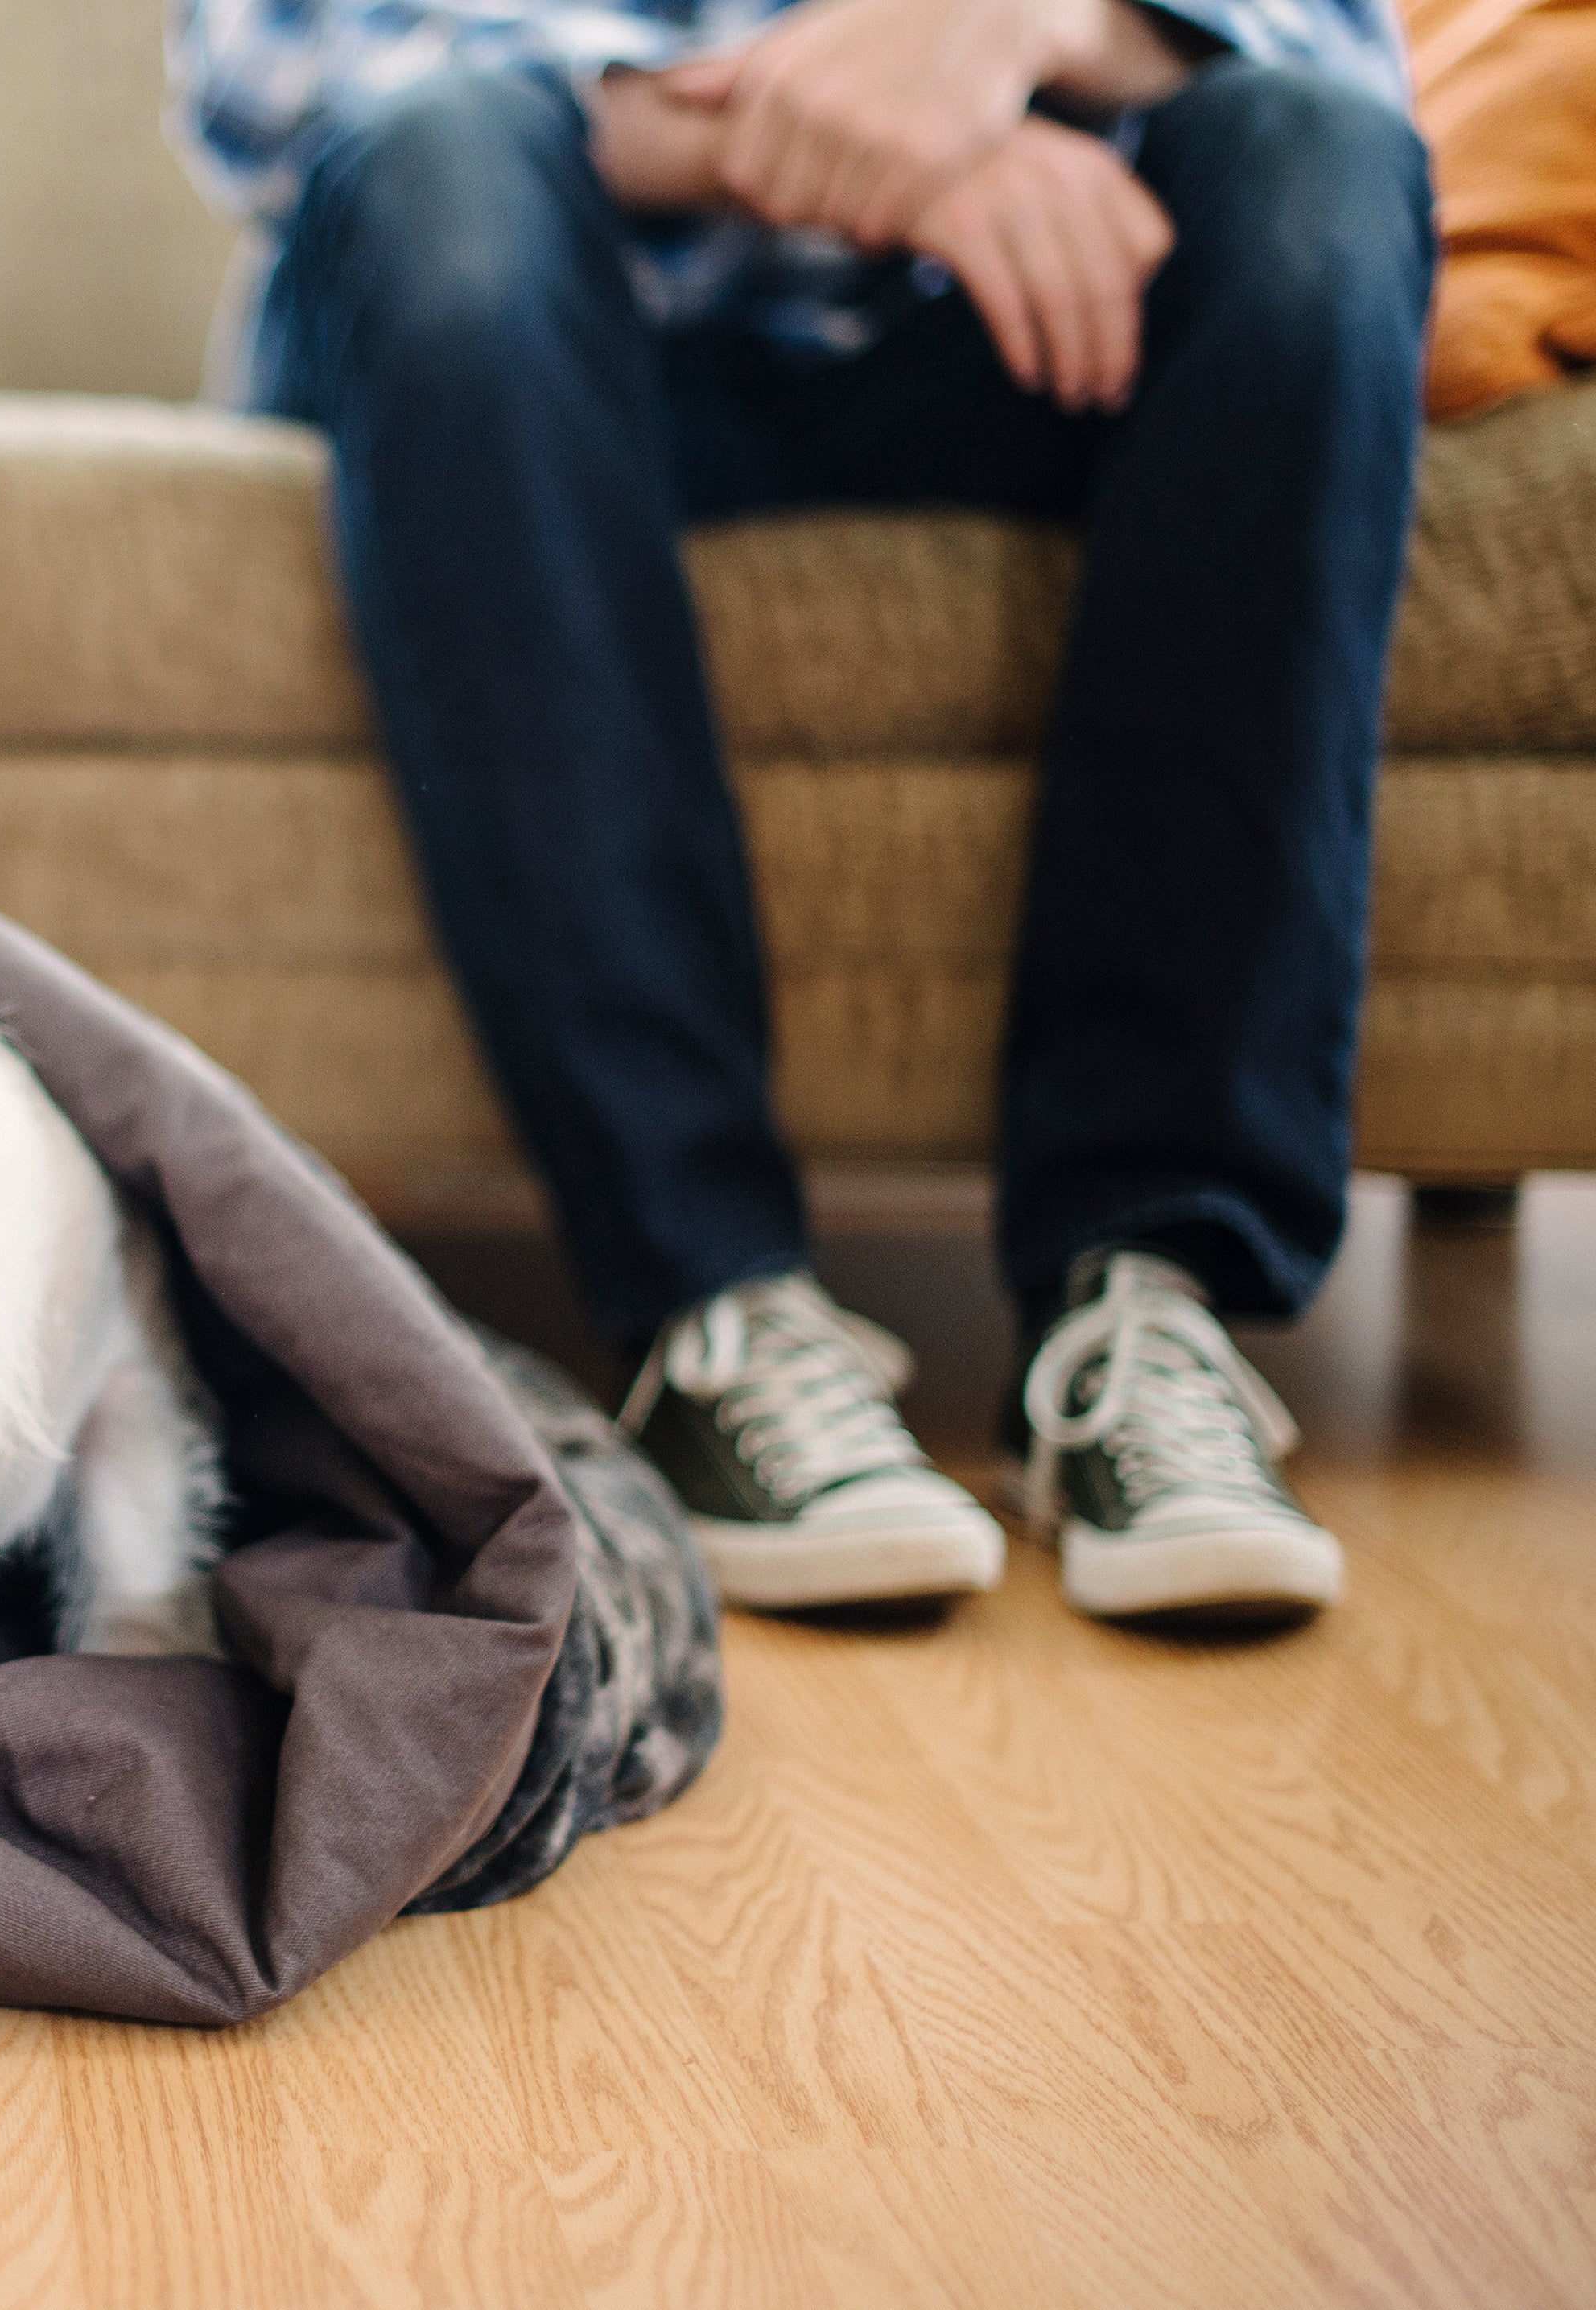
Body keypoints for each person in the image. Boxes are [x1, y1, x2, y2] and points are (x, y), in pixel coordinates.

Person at [168, 0, 1433, 1619]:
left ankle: (1143, 1294)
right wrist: (874, 151)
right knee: (444, 166)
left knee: (1310, 161)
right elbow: (284, 85)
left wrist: (1001, 27)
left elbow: (1347, 62)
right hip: (540, 350)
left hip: (1036, 333)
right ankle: (713, 1306)